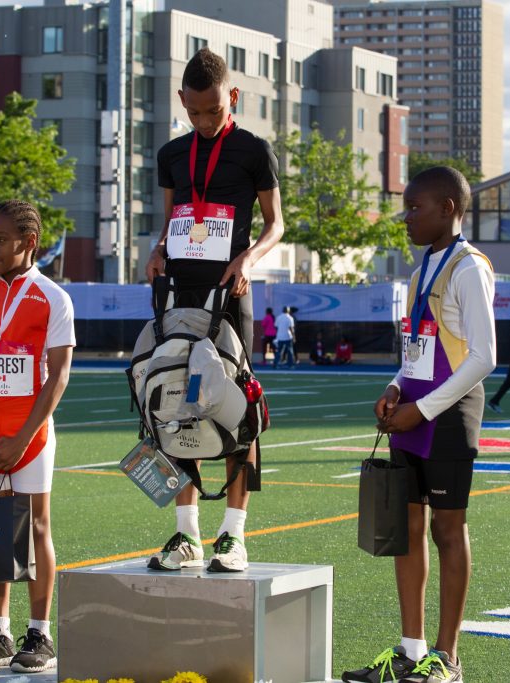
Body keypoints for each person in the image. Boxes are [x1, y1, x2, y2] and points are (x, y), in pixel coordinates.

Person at [343, 166, 496, 683]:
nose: (406, 217)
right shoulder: (420, 268)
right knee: (405, 531)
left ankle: (447, 659)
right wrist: (394, 386)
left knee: (446, 529)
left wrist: (424, 408)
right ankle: (411, 649)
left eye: (416, 208)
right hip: (412, 409)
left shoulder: (469, 267)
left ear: (448, 208)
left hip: (448, 415)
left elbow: (484, 357)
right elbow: (419, 348)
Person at [144, 47, 284, 573]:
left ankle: (233, 535)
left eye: (214, 112)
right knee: (175, 405)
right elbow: (172, 219)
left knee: (232, 409)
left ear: (233, 98)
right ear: (181, 100)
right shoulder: (171, 155)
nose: (203, 122)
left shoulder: (254, 150)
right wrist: (158, 250)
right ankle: (186, 537)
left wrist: (248, 257)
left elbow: (276, 225)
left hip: (230, 297)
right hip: (178, 295)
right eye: (194, 112)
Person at [0, 200, 75, 673]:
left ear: (28, 242)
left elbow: (58, 376)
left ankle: (40, 634)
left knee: (36, 527)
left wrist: (23, 438)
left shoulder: (53, 298)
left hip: (31, 435)